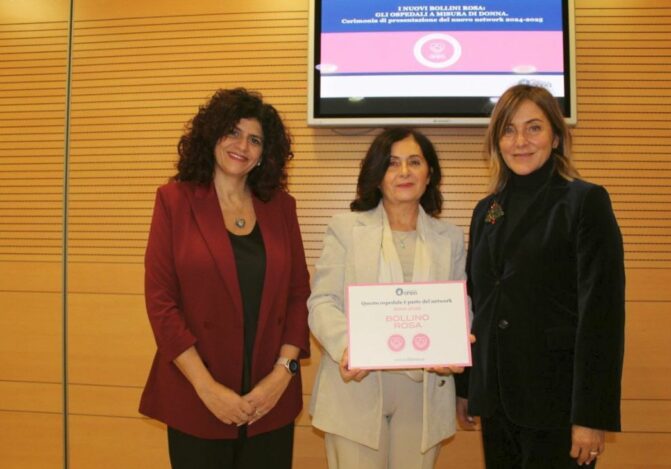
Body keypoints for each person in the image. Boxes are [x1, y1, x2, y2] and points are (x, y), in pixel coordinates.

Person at [139, 88, 310, 469]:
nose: (242, 146)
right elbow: (161, 302)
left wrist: (281, 376)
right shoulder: (174, 200)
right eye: (232, 132)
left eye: (255, 140)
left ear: (265, 153)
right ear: (211, 135)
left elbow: (299, 294)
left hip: (270, 397)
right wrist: (207, 388)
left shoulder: (281, 207)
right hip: (196, 393)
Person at [455, 84, 625, 468]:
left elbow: (602, 316)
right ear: (497, 141)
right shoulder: (486, 211)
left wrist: (591, 415)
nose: (520, 141)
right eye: (508, 130)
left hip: (558, 405)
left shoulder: (585, 202)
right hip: (497, 402)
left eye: (533, 128)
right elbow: (477, 305)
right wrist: (467, 387)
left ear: (556, 137)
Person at [308, 127, 466, 469]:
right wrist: (348, 347)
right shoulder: (345, 228)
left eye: (414, 162)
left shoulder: (450, 238)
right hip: (356, 386)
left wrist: (455, 343)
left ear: (429, 174)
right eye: (392, 163)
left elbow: (459, 304)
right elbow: (322, 301)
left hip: (424, 390)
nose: (404, 172)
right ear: (377, 175)